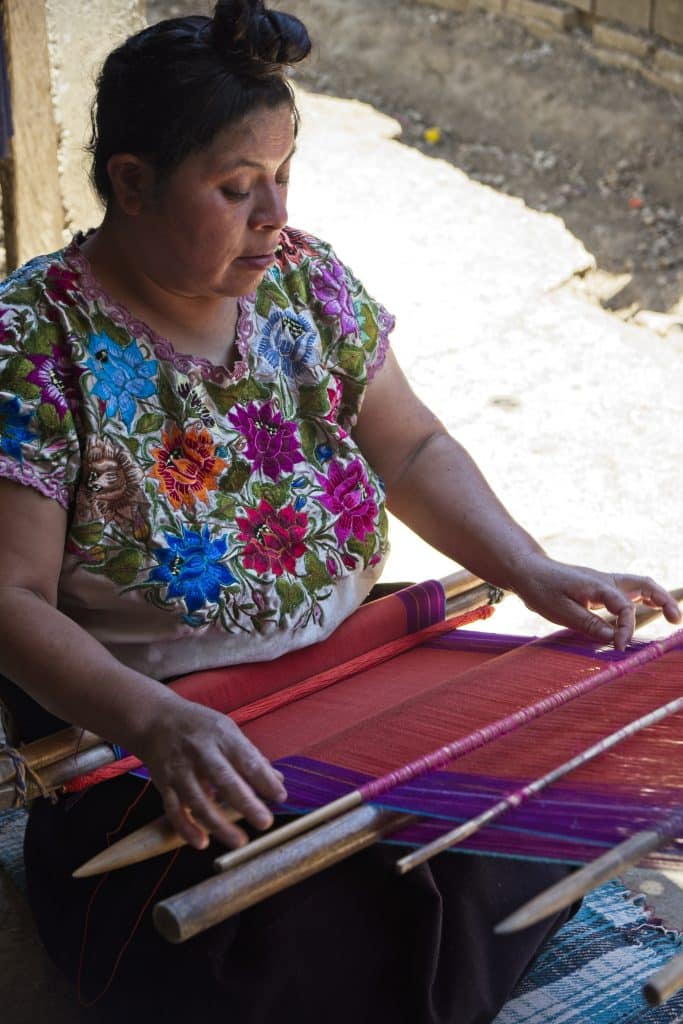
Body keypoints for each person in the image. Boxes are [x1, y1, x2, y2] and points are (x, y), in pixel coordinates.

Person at [0, 2, 679, 1021]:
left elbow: (408, 445)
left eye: (282, 175)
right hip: (167, 735)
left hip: (360, 671)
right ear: (132, 182)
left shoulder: (304, 280)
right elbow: (8, 597)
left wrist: (530, 568)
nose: (273, 212)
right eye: (235, 189)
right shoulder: (34, 342)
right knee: (273, 939)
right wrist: (152, 720)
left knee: (510, 803)